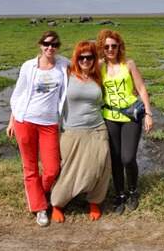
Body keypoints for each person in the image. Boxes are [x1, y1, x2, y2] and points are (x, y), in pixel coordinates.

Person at [7, 30, 69, 227]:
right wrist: (12, 120)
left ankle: (38, 193)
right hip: (25, 120)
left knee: (52, 168)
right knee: (30, 166)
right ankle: (39, 208)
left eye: (54, 44)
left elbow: (87, 63)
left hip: (49, 123)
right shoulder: (28, 66)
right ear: (40, 45)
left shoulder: (63, 65)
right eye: (46, 44)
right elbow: (19, 95)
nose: (50, 47)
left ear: (58, 47)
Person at [50, 41, 111, 223]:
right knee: (69, 168)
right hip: (71, 130)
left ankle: (94, 201)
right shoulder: (67, 74)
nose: (85, 60)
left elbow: (113, 62)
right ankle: (58, 203)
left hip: (97, 128)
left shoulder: (98, 75)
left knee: (100, 164)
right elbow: (52, 60)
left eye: (89, 57)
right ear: (76, 59)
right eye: (81, 57)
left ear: (94, 59)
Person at [97, 29, 154, 214]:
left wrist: (148, 113)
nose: (110, 49)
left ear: (119, 46)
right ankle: (119, 194)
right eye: (107, 46)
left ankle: (133, 191)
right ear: (102, 48)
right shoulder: (99, 66)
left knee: (127, 158)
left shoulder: (128, 64)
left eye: (114, 45)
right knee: (115, 159)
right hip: (110, 117)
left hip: (131, 116)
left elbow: (141, 88)